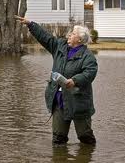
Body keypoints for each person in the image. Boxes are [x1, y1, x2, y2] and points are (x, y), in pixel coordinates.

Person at [15, 16, 98, 145]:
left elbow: (90, 73)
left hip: (78, 102)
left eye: (73, 34)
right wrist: (31, 24)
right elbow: (45, 38)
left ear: (80, 39)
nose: (69, 35)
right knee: (58, 139)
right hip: (59, 99)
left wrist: (74, 81)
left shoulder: (88, 57)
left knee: (85, 137)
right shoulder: (60, 46)